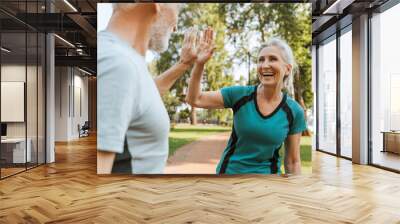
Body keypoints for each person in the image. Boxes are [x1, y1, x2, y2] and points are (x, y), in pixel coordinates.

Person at [97, 3, 199, 174]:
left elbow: (143, 99)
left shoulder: (126, 61)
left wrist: (184, 64)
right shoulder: (117, 63)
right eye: (177, 9)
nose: (176, 27)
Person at [186, 34, 307, 175]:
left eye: (272, 59)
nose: (264, 65)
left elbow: (293, 161)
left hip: (268, 183)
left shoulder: (294, 111)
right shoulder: (239, 95)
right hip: (229, 177)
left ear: (287, 69)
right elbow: (195, 99)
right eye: (260, 60)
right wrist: (200, 64)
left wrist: (296, 190)